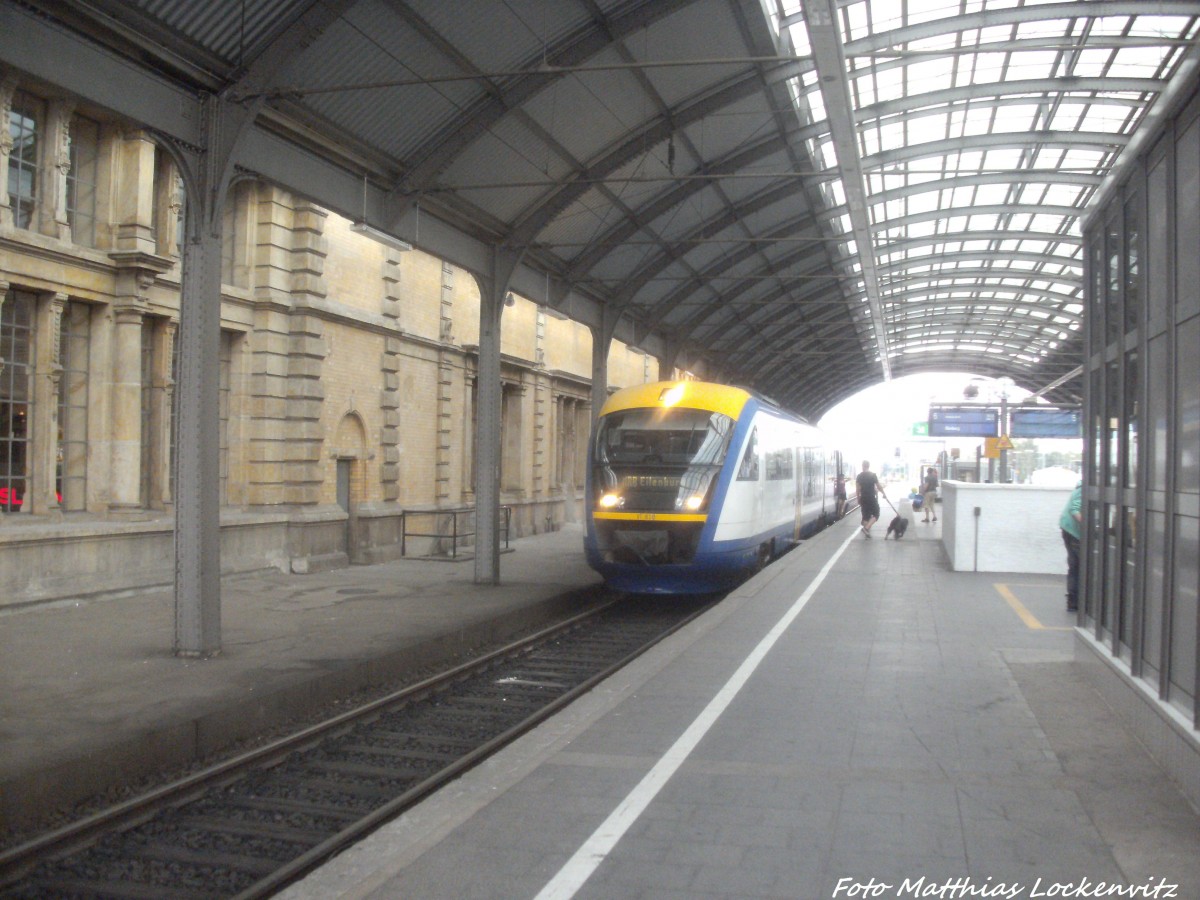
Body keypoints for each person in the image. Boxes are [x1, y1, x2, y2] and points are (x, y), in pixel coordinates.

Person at [1060, 481, 1082, 612]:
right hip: (1074, 532)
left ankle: (1073, 601)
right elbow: (1075, 509)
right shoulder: (1087, 488)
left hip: (1068, 529)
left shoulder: (1082, 485)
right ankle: (1074, 601)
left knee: (1075, 565)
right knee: (1078, 566)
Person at [855, 460, 886, 539]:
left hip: (863, 498)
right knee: (876, 513)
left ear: (862, 466)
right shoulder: (873, 475)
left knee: (866, 516)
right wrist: (883, 493)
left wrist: (858, 499)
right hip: (871, 497)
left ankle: (866, 532)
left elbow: (857, 489)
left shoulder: (859, 476)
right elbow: (878, 486)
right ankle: (866, 528)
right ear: (868, 466)